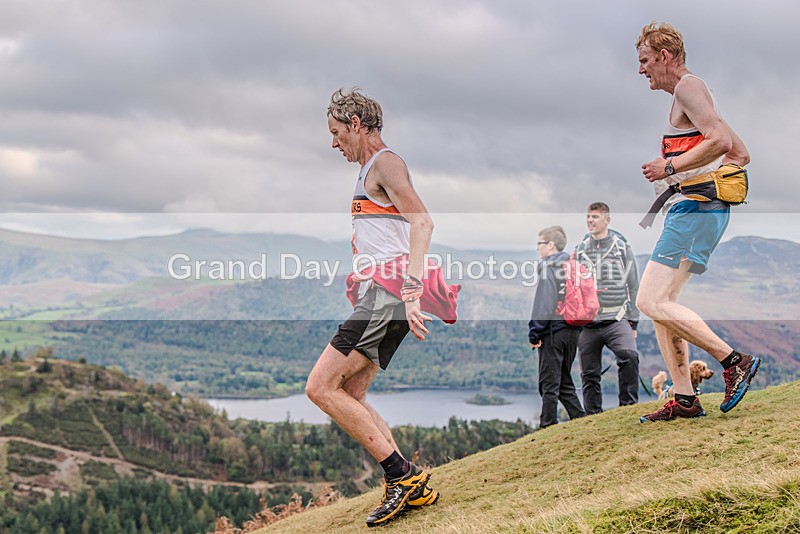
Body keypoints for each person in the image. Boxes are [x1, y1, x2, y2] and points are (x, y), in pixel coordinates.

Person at [305, 88, 440, 527]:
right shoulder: (370, 170)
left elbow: (422, 220)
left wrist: (413, 290)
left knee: (320, 387)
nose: (333, 143)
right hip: (380, 293)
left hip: (391, 295)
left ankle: (402, 478)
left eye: (336, 132)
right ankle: (407, 483)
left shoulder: (385, 162)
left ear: (357, 125)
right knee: (351, 395)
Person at [635, 22, 761, 422]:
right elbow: (738, 151)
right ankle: (685, 398)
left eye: (645, 60)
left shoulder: (689, 87)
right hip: (696, 208)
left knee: (649, 300)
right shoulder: (690, 94)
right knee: (662, 305)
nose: (641, 70)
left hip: (696, 211)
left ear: (664, 56)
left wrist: (670, 166)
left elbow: (721, 145)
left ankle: (733, 360)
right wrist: (703, 175)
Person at [575, 202, 641, 414]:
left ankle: (627, 410)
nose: (590, 221)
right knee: (589, 373)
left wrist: (633, 321)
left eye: (595, 217)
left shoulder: (621, 248)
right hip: (588, 322)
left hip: (617, 318)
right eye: (588, 217)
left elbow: (633, 285)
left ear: (607, 220)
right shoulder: (579, 251)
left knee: (629, 356)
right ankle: (592, 417)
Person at [528, 226, 586, 428]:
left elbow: (544, 304)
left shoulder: (549, 268)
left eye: (539, 244)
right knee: (563, 382)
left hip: (553, 332)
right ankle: (581, 420)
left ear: (550, 245)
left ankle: (547, 426)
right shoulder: (572, 265)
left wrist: (534, 333)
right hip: (573, 331)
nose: (537, 249)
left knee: (548, 383)